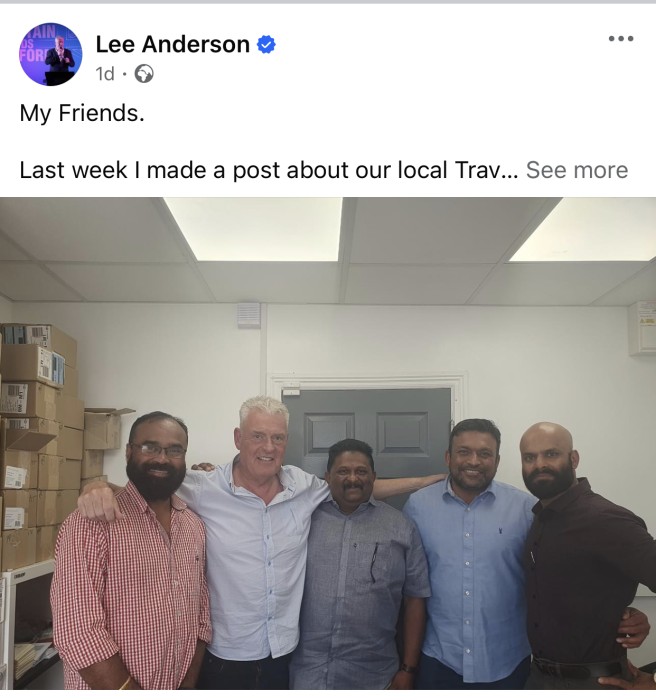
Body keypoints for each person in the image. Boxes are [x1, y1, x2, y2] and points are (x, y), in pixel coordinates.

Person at [77, 395, 441, 690]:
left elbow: (357, 487)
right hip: (222, 657)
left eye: (278, 438)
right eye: (258, 436)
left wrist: (429, 482)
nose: (269, 447)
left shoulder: (305, 488)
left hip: (284, 656)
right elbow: (146, 483)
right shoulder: (202, 487)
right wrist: (96, 485)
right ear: (238, 438)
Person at [403, 418, 650, 690]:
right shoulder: (418, 507)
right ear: (448, 457)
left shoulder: (532, 510)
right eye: (463, 452)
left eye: (484, 453)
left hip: (512, 666)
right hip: (443, 662)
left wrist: (623, 614)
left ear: (498, 461)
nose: (474, 461)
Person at [51, 412, 211, 690]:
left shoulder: (193, 525)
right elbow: (78, 633)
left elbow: (201, 616)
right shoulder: (90, 524)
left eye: (174, 450)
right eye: (150, 447)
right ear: (129, 451)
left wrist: (188, 684)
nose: (162, 459)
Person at [521, 421, 656, 690]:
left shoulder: (605, 519)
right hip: (539, 678)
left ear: (573, 459)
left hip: (596, 684)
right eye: (529, 457)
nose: (539, 464)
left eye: (551, 454)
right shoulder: (541, 518)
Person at [289, 439, 430, 689]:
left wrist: (408, 669)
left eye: (361, 471)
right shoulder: (304, 521)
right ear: (327, 477)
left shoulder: (401, 527)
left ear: (373, 477)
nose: (353, 479)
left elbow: (416, 599)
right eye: (343, 471)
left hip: (376, 676)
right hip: (308, 673)